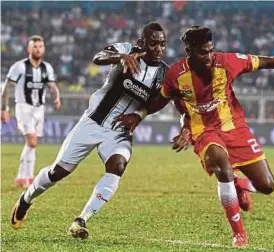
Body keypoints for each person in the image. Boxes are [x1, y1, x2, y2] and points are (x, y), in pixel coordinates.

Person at [114, 26, 274, 247]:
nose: (208, 57)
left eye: (210, 50)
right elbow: (161, 100)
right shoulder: (176, 75)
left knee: (267, 186)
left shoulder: (228, 61)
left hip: (236, 129)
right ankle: (239, 234)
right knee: (222, 167)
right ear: (189, 50)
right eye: (202, 52)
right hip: (205, 131)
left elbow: (270, 61)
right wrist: (140, 116)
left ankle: (240, 184)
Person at [10, 22, 169, 240]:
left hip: (118, 130)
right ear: (142, 42)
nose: (159, 49)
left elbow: (161, 101)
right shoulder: (126, 49)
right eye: (153, 44)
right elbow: (99, 57)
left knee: (118, 166)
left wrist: (139, 115)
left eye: (162, 44)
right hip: (92, 121)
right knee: (58, 172)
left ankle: (81, 220)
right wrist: (119, 58)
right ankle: (26, 199)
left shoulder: (164, 75)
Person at [1, 35, 61, 188]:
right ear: (29, 48)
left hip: (39, 109)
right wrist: (4, 108)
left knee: (32, 144)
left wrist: (56, 99)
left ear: (44, 48)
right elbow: (6, 88)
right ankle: (29, 177)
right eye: (35, 46)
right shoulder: (19, 67)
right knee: (32, 141)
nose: (38, 49)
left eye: (40, 46)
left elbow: (52, 86)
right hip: (23, 107)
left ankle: (21, 177)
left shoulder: (47, 67)